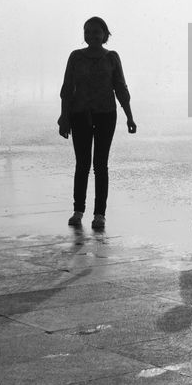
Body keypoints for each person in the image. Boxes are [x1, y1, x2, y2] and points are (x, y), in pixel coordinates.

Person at [57, 17, 136, 231]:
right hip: (79, 114)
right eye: (87, 31)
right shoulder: (75, 57)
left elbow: (120, 88)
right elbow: (67, 89)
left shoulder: (111, 58)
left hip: (105, 115)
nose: (91, 36)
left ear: (105, 35)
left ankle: (100, 214)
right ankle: (78, 210)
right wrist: (64, 117)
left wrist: (129, 116)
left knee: (100, 165)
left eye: (96, 32)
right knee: (82, 164)